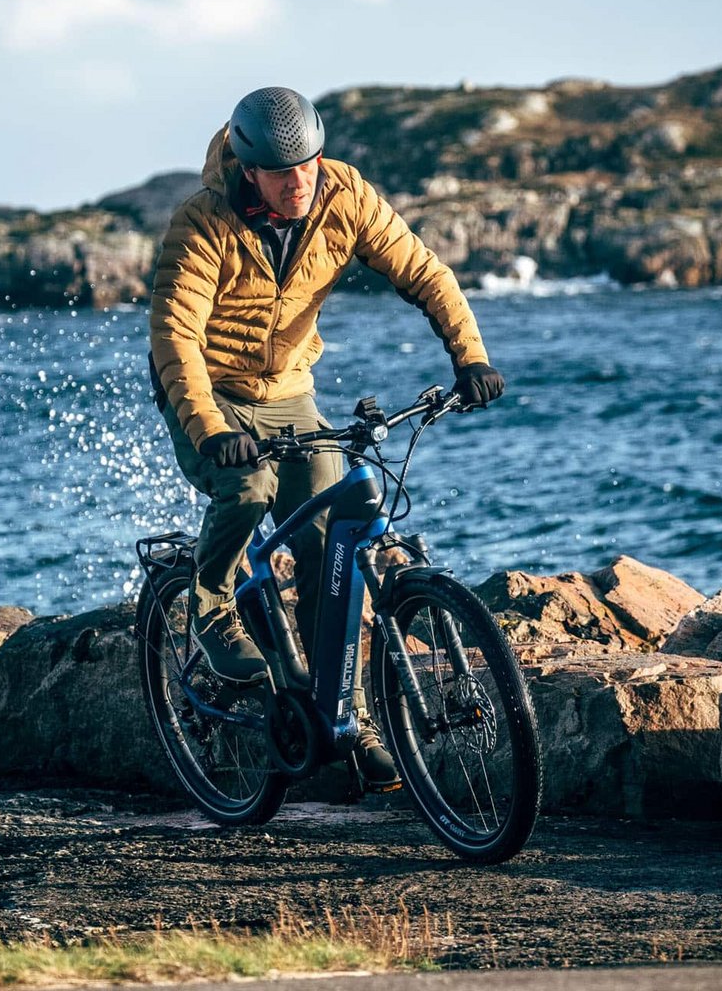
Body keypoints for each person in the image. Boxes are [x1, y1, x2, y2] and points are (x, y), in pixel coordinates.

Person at [148, 86, 504, 790]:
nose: (301, 180)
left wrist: (470, 356)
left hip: (289, 393)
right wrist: (213, 431)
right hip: (209, 397)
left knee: (332, 540)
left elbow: (425, 272)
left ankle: (345, 719)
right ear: (250, 170)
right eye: (284, 172)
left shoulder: (343, 195)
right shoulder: (202, 224)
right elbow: (176, 342)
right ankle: (213, 609)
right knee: (248, 487)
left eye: (309, 163)